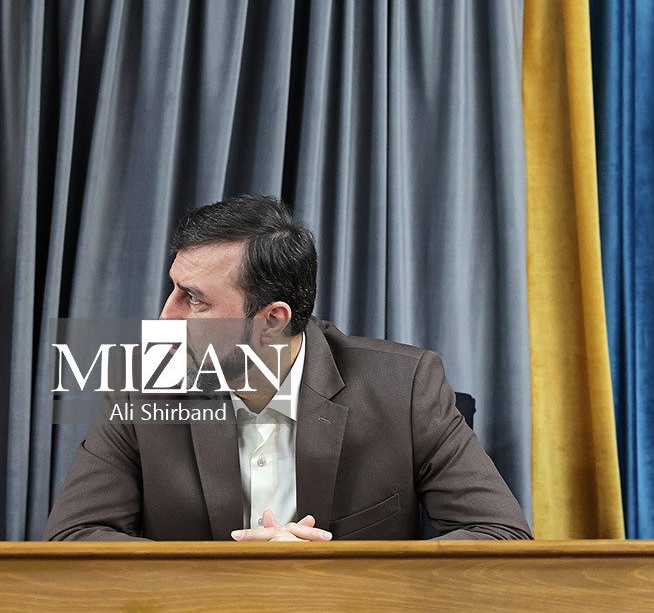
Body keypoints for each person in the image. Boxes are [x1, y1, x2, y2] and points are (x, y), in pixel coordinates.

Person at [44, 195, 532, 541]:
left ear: (272, 321)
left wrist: (324, 577)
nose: (164, 318)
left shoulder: (405, 387)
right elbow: (74, 537)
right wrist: (230, 576)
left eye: (193, 300)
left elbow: (499, 533)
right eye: (174, 288)